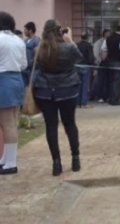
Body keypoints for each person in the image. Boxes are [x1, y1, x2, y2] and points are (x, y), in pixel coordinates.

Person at [33, 20, 82, 176]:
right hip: (67, 90)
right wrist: (70, 40)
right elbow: (79, 58)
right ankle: (75, 159)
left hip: (45, 91)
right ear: (60, 32)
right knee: (70, 124)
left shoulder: (39, 49)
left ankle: (56, 163)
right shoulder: (68, 48)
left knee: (51, 126)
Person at [0, 12, 27, 175]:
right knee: (11, 122)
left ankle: (10, 163)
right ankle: (6, 159)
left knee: (7, 123)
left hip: (3, 80)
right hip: (16, 79)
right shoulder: (18, 40)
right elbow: (24, 64)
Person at [91, 29, 110, 102]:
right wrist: (100, 62)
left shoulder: (109, 41)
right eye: (108, 33)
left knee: (106, 81)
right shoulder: (99, 42)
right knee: (99, 81)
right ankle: (98, 96)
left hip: (107, 64)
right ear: (104, 34)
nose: (109, 34)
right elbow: (96, 54)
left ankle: (106, 96)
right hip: (100, 65)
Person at [76, 33, 95, 108]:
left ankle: (78, 103)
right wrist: (93, 66)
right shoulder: (89, 45)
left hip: (77, 66)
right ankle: (84, 103)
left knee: (79, 85)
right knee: (85, 85)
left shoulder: (77, 45)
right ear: (88, 37)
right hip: (86, 66)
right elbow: (91, 57)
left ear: (81, 37)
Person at [22, 21, 40, 86]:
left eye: (25, 30)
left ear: (30, 30)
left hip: (33, 70)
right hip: (25, 70)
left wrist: (31, 63)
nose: (24, 31)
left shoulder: (37, 40)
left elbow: (38, 55)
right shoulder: (25, 41)